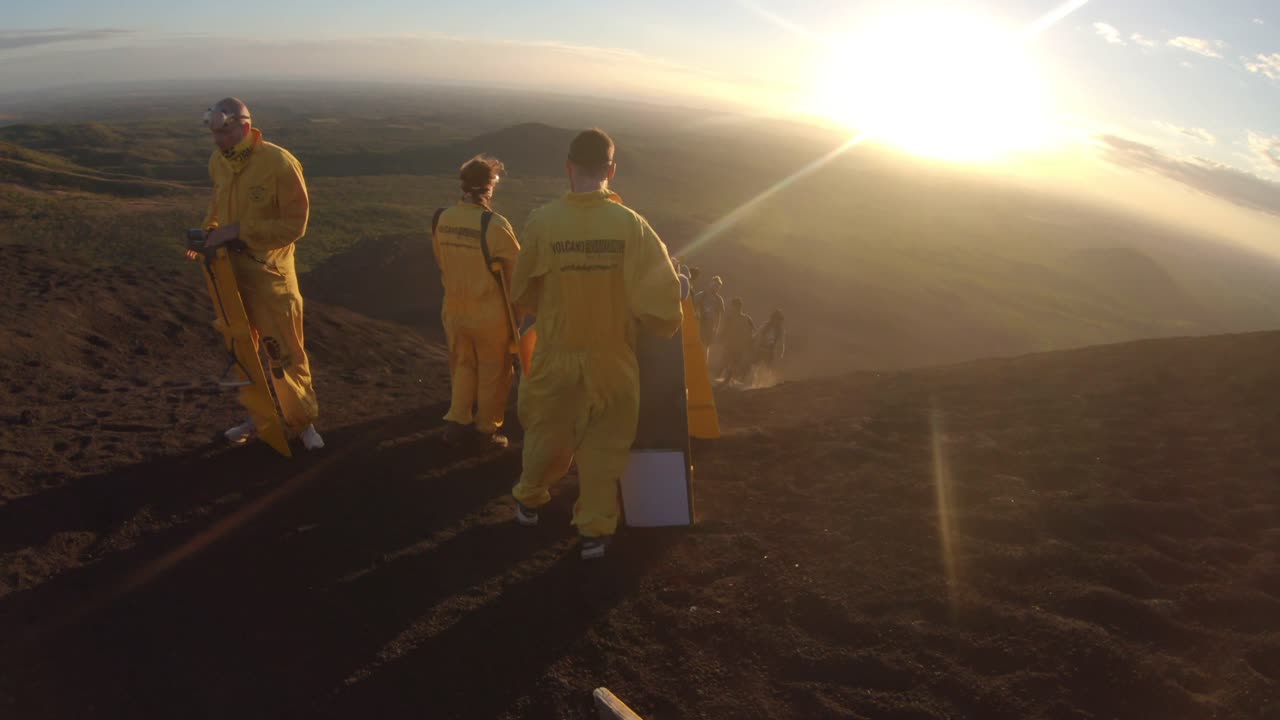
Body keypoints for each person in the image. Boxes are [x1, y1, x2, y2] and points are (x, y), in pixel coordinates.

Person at [509, 128, 683, 560]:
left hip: (555, 354)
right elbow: (660, 309)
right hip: (612, 360)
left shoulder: (542, 222)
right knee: (605, 446)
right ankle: (594, 532)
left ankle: (529, 500)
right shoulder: (632, 227)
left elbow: (522, 294)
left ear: (568, 168)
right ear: (611, 170)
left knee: (547, 432)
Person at [199, 97, 323, 451]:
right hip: (231, 276)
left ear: (243, 126)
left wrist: (239, 231)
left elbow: (295, 225)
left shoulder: (278, 163)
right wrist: (207, 230)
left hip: (271, 278)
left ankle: (302, 423)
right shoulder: (218, 163)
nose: (217, 141)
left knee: (282, 352)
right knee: (245, 351)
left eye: (223, 133)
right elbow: (216, 205)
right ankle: (261, 418)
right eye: (214, 134)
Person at [432, 154, 521, 448]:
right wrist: (518, 315)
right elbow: (516, 275)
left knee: (462, 365)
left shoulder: (441, 219)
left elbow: (441, 261)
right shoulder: (494, 225)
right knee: (494, 371)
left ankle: (457, 420)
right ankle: (486, 430)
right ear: (489, 185)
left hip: (454, 311)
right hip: (489, 315)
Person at [718, 297, 756, 384]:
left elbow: (752, 331)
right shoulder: (732, 318)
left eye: (733, 306)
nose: (731, 308)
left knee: (734, 363)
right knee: (728, 362)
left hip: (738, 346)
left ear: (737, 307)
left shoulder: (746, 319)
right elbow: (724, 331)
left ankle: (729, 380)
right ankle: (727, 380)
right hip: (732, 345)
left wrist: (749, 343)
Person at [694, 275, 725, 360]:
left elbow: (720, 315)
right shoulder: (701, 295)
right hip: (699, 324)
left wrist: (717, 329)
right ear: (710, 284)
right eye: (714, 285)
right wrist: (696, 313)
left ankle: (703, 365)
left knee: (706, 347)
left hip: (710, 327)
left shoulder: (719, 299)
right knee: (697, 345)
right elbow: (693, 305)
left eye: (717, 287)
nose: (715, 288)